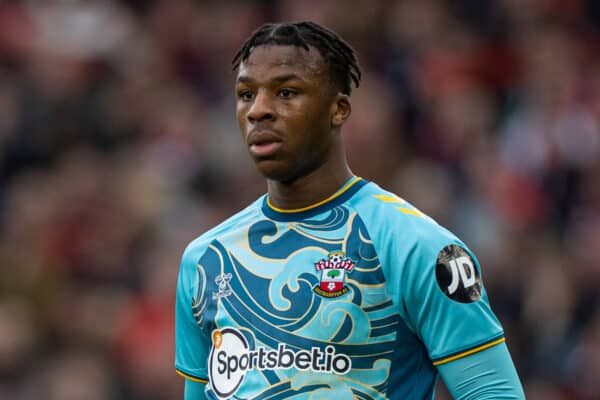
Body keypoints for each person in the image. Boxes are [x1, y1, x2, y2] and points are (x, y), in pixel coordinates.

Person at [175, 21, 525, 400]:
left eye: (286, 92)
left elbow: (494, 393)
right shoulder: (206, 260)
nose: (259, 110)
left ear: (339, 110)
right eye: (246, 94)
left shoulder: (419, 248)